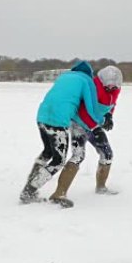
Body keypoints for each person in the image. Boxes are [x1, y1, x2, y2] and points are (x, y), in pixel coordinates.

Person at [20, 61, 105, 208]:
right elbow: (91, 108)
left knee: (47, 153)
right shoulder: (86, 80)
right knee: (59, 160)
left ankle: (30, 185)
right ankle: (29, 190)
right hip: (58, 121)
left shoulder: (64, 76)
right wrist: (99, 123)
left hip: (42, 116)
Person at [48, 65, 122, 204]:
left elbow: (112, 105)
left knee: (107, 154)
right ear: (101, 81)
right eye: (108, 87)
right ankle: (59, 194)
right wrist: (95, 128)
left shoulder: (115, 89)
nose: (111, 89)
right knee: (78, 156)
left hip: (94, 123)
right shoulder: (92, 87)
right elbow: (83, 111)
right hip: (79, 123)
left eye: (114, 87)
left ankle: (101, 187)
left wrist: (109, 116)